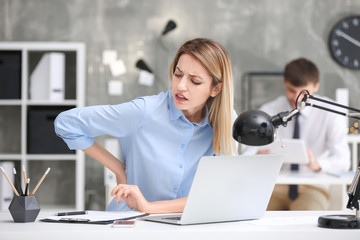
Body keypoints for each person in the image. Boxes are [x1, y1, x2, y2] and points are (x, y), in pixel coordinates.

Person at [54, 38, 238, 213]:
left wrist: (149, 207)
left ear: (216, 89)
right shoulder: (145, 111)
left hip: (182, 225)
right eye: (178, 74)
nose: (181, 86)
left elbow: (216, 195)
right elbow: (67, 123)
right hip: (130, 221)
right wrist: (119, 168)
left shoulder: (225, 121)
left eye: (195, 81)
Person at [242, 58, 350, 210]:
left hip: (313, 186)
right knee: (254, 213)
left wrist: (317, 164)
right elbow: (247, 154)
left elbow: (343, 160)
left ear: (316, 86)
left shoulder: (330, 114)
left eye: (303, 91)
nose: (296, 98)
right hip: (274, 185)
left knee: (307, 218)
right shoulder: (269, 110)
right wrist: (257, 158)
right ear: (284, 83)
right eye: (291, 90)